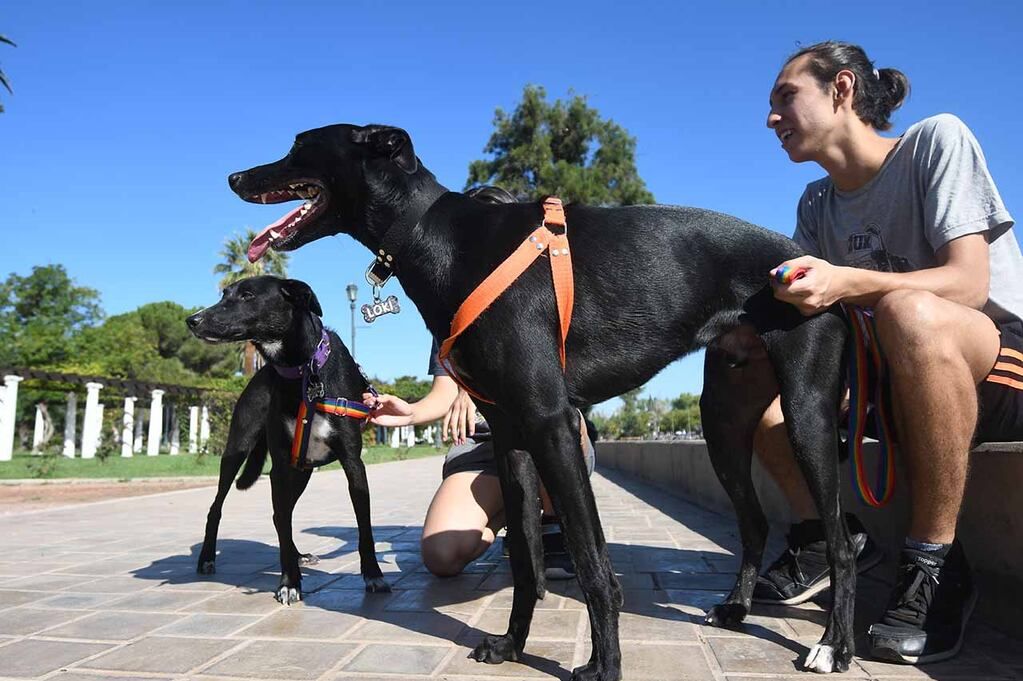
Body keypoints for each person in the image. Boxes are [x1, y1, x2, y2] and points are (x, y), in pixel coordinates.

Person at [758, 41, 1023, 664]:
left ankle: (933, 567)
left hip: (998, 362)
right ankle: (831, 542)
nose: (771, 118)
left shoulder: (936, 142)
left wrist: (848, 281)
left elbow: (968, 285)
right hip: (892, 376)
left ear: (841, 90)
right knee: (770, 408)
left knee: (910, 312)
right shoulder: (817, 204)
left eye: (785, 97)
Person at [363, 185, 597, 580]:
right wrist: (407, 412)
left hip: (550, 439)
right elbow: (441, 396)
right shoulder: (449, 315)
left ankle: (556, 524)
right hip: (485, 450)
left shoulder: (549, 299)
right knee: (442, 555)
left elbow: (560, 391)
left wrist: (488, 393)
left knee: (551, 430)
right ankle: (517, 522)